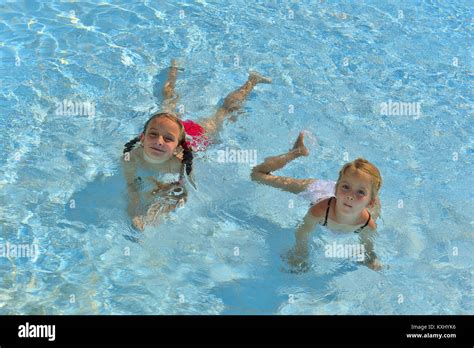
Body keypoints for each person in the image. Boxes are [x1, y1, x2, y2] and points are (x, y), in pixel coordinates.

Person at [123, 59, 271, 230]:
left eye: (165, 141)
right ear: (142, 138)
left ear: (178, 148)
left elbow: (181, 195)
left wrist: (154, 212)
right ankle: (173, 67)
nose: (158, 142)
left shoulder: (180, 162)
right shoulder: (131, 158)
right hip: (171, 130)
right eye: (152, 136)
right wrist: (136, 209)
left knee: (224, 112)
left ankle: (252, 80)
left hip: (197, 136)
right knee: (168, 96)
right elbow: (131, 187)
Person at [251, 132, 383, 271]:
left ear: (369, 202)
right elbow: (303, 231)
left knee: (374, 207)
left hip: (360, 201)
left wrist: (370, 260)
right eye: (346, 187)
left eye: (360, 192)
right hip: (318, 191)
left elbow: (367, 246)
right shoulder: (320, 210)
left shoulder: (368, 224)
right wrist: (300, 253)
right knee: (256, 175)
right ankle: (296, 152)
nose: (350, 196)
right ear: (336, 189)